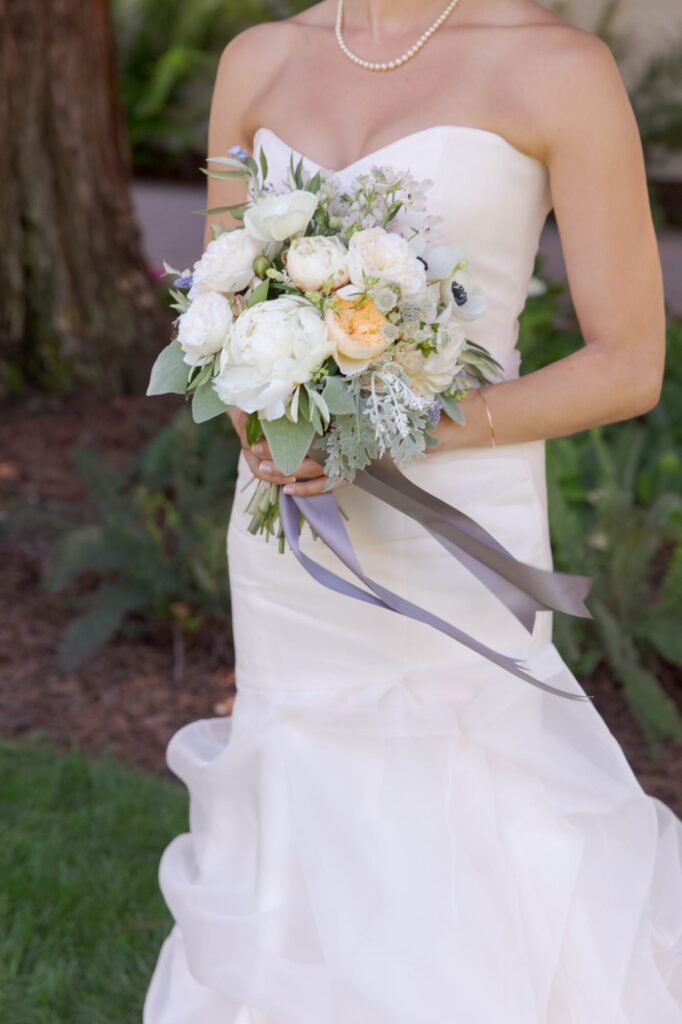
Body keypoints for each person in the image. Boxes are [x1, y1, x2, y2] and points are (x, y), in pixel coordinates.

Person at [144, 1, 682, 1020]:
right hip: (290, 542)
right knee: (301, 795)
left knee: (463, 813)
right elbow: (216, 314)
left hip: (457, 528)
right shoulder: (257, 60)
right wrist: (266, 417)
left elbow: (629, 363)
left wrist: (401, 429)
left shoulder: (558, 66)